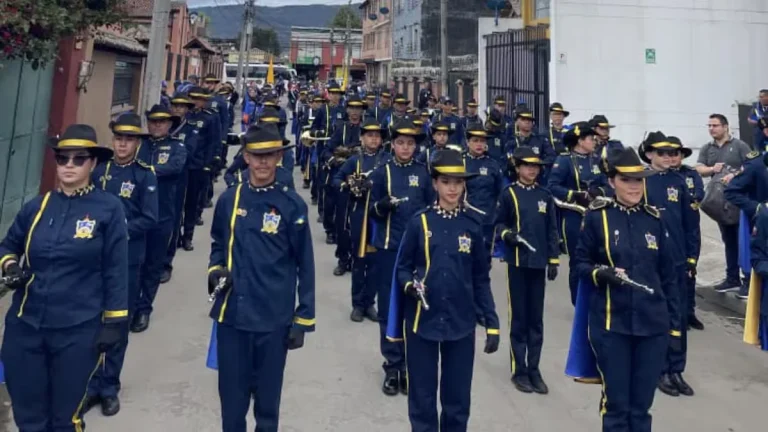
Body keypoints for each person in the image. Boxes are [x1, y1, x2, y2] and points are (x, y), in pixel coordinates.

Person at [0, 124, 129, 431]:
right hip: (26, 326)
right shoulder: (38, 206)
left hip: (78, 330)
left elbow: (117, 270)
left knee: (65, 418)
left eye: (78, 159)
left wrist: (114, 323)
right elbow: (8, 245)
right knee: (28, 414)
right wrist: (9, 266)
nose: (69, 165)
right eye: (62, 158)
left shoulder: (108, 209)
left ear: (93, 163)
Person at [208, 124, 315, 432]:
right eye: (257, 156)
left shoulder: (292, 204)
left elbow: (305, 264)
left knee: (267, 407)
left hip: (274, 319)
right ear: (246, 157)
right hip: (232, 318)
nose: (263, 163)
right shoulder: (230, 199)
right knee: (232, 404)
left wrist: (303, 317)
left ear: (279, 157)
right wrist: (215, 272)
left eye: (269, 156)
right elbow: (218, 244)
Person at [387, 149, 500, 432]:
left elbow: (480, 278)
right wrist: (409, 286)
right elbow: (401, 268)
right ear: (435, 183)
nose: (453, 188)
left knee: (457, 399)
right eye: (446, 182)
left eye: (458, 182)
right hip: (421, 321)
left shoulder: (473, 226)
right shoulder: (419, 222)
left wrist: (492, 321)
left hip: (460, 322)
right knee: (422, 397)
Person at [574, 147, 680, 432]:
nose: (634, 187)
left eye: (638, 180)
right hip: (612, 325)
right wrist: (602, 273)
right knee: (617, 407)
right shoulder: (598, 218)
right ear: (612, 182)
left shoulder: (656, 220)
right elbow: (580, 265)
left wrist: (674, 327)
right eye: (626, 180)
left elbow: (670, 278)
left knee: (641, 408)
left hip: (652, 326)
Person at [86, 114, 159, 415]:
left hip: (127, 259)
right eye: (118, 138)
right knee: (91, 321)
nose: (123, 143)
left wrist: (118, 231)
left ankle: (109, 386)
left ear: (137, 143)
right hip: (94, 259)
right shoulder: (99, 172)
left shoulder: (145, 175)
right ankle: (90, 384)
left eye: (129, 139)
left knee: (116, 324)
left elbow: (149, 218)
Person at [369, 119, 434, 396]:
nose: (405, 147)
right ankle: (393, 366)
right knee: (388, 308)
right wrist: (382, 206)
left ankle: (410, 367)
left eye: (410, 143)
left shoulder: (424, 172)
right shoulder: (382, 172)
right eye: (400, 142)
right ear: (392, 144)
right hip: (388, 248)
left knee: (414, 307)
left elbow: (432, 208)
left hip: (417, 251)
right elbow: (372, 211)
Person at [637, 132, 698, 397]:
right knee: (656, 316)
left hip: (676, 260)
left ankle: (676, 368)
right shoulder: (639, 181)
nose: (668, 157)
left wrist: (691, 258)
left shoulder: (680, 182)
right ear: (650, 154)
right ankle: (658, 369)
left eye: (672, 153)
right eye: (662, 153)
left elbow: (690, 225)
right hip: (651, 261)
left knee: (679, 316)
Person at [496, 146, 559, 394]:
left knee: (536, 320)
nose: (531, 170)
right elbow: (498, 221)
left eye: (535, 166)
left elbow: (552, 229)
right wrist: (506, 234)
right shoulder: (509, 194)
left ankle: (534, 368)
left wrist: (553, 259)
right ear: (518, 168)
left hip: (538, 263)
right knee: (519, 318)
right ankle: (519, 369)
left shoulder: (545, 195)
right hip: (518, 263)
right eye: (527, 165)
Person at [132, 105, 187, 333]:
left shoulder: (177, 147)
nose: (157, 125)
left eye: (162, 122)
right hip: (136, 216)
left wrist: (146, 171)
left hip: (162, 216)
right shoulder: (139, 145)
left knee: (153, 266)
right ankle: (128, 305)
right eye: (153, 121)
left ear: (170, 124)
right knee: (134, 264)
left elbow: (173, 168)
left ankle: (144, 309)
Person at [333, 118, 391, 322]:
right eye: (369, 135)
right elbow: (337, 179)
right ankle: (357, 304)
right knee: (359, 261)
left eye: (377, 136)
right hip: (359, 214)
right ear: (362, 138)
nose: (373, 139)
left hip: (380, 217)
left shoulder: (387, 160)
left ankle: (369, 303)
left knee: (376, 263)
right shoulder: (354, 160)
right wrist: (350, 185)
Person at [548, 121, 608, 304]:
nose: (594, 141)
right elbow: (552, 186)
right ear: (580, 141)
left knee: (597, 257)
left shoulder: (597, 160)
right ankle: (578, 302)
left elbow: (608, 183)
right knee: (578, 260)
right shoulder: (564, 160)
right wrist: (574, 195)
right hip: (574, 215)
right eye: (591, 138)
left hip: (596, 214)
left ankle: (596, 298)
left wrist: (600, 191)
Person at [696, 113, 752, 293]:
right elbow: (699, 168)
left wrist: (734, 174)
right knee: (729, 240)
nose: (712, 129)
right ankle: (732, 278)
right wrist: (712, 169)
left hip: (739, 201)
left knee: (743, 239)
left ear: (726, 126)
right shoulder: (707, 148)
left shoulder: (739, 146)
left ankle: (748, 280)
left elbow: (752, 166)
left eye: (715, 125)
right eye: (709, 126)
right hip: (719, 203)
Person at [324, 94, 366, 272]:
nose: (355, 112)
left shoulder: (368, 128)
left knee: (363, 223)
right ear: (347, 110)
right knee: (342, 223)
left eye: (358, 108)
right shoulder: (341, 128)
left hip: (364, 181)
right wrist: (335, 160)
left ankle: (360, 259)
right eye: (352, 108)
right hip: (344, 181)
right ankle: (343, 259)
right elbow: (327, 150)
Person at [163, 92, 201, 283]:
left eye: (181, 106)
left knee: (175, 215)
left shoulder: (191, 129)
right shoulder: (163, 125)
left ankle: (168, 260)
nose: (177, 109)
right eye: (175, 106)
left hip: (180, 176)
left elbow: (188, 151)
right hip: (159, 181)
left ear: (187, 109)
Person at [670, 137, 706, 328]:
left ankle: (689, 312)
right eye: (669, 153)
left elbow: (699, 193)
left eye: (676, 153)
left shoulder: (690, 173)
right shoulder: (660, 177)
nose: (673, 157)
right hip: (671, 229)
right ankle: (676, 314)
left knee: (690, 271)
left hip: (690, 228)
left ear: (682, 156)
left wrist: (691, 199)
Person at [182, 87, 220, 250]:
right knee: (177, 204)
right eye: (193, 98)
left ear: (205, 101)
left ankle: (187, 236)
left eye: (199, 99)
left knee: (192, 203)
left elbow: (214, 142)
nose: (195, 102)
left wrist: (208, 164)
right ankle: (176, 236)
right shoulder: (184, 116)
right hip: (180, 166)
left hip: (198, 165)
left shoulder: (210, 118)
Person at [463, 123, 504, 259]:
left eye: (482, 141)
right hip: (465, 217)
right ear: (467, 142)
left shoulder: (492, 164)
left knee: (484, 259)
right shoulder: (460, 162)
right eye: (475, 141)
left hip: (487, 218)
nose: (479, 144)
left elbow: (500, 191)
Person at [507, 108, 556, 183]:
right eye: (523, 119)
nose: (527, 122)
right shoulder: (511, 141)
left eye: (530, 120)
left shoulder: (541, 140)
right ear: (517, 122)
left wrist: (540, 163)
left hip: (538, 180)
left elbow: (552, 156)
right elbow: (506, 161)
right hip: (516, 180)